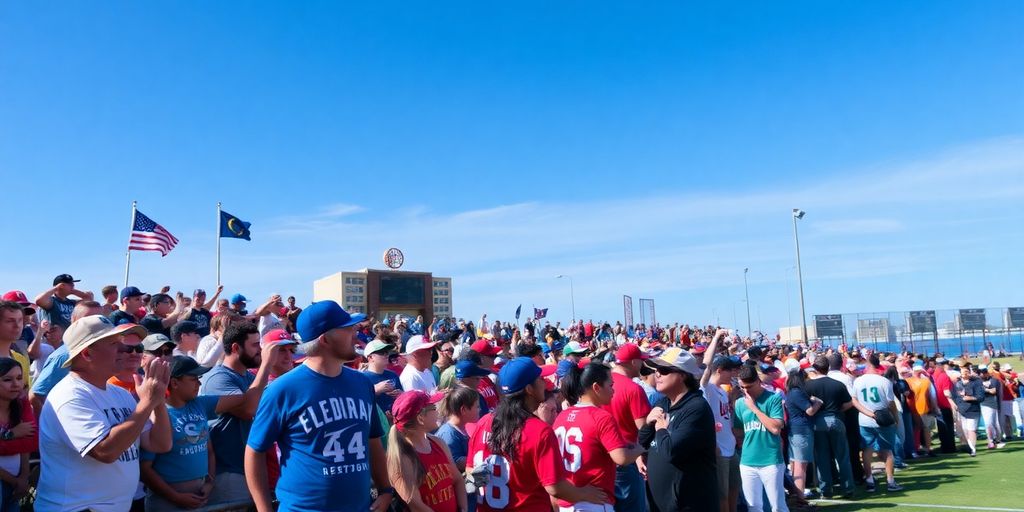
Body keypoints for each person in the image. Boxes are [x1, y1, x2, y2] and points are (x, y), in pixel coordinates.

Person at [246, 301, 394, 512]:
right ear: (325, 339)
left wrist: (385, 489)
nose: (356, 333)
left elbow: (372, 441)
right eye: (347, 329)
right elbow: (254, 451)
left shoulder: (362, 384)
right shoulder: (283, 390)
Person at [35, 315, 172, 512]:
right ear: (87, 354)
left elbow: (160, 444)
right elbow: (105, 451)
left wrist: (157, 401)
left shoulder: (120, 394)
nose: (123, 349)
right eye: (113, 343)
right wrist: (147, 402)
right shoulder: (69, 395)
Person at [141, 351, 276, 511]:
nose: (199, 384)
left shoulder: (200, 404)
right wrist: (174, 496)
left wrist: (210, 482)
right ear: (175, 383)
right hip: (165, 503)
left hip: (198, 498)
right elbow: (144, 469)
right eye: (193, 379)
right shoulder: (157, 413)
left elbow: (210, 451)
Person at [468, 357, 606, 512]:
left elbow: (471, 473)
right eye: (540, 378)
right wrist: (584, 493)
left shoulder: (483, 423)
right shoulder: (539, 430)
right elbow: (555, 487)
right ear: (529, 389)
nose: (544, 382)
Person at [556, 362, 644, 512]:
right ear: (596, 387)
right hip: (594, 500)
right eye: (610, 385)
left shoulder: (562, 415)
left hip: (567, 499)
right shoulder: (601, 417)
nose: (613, 390)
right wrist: (640, 448)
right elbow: (621, 458)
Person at [639, 349, 719, 512]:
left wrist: (661, 429)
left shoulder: (696, 408)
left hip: (689, 503)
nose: (657, 374)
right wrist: (648, 423)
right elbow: (641, 442)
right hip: (661, 503)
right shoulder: (663, 403)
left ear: (683, 375)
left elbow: (670, 452)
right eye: (656, 370)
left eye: (664, 370)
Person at [387, 390, 467, 512]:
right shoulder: (403, 457)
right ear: (420, 418)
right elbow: (416, 505)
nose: (438, 411)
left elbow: (458, 480)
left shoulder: (438, 443)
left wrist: (463, 508)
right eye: (434, 407)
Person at [29, 301, 105, 414]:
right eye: (87, 319)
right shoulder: (65, 356)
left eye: (99, 319)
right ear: (73, 320)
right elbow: (35, 396)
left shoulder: (105, 353)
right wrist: (51, 426)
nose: (93, 324)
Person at [732, 364, 788, 512]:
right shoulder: (739, 403)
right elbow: (738, 431)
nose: (745, 391)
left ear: (758, 381)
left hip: (770, 460)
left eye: (748, 387)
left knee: (777, 506)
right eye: (741, 387)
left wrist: (755, 409)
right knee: (753, 506)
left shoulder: (773, 399)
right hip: (747, 461)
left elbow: (776, 428)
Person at [603, 343, 652, 512]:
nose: (642, 364)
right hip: (627, 457)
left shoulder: (601, 384)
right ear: (633, 362)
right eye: (640, 361)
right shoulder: (633, 388)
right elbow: (644, 429)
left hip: (603, 458)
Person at [698, 331, 743, 512]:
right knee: (722, 494)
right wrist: (716, 338)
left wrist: (732, 398)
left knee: (734, 489)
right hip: (719, 449)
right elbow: (707, 364)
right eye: (729, 370)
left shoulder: (723, 391)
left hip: (730, 448)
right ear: (719, 371)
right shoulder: (706, 388)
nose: (733, 373)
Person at [804, 355, 855, 499]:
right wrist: (838, 410)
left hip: (818, 421)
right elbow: (849, 403)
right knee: (842, 457)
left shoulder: (808, 385)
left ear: (815, 368)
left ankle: (826, 490)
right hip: (836, 419)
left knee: (822, 458)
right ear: (828, 368)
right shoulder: (837, 384)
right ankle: (848, 488)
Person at [852, 354, 902, 492]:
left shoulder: (858, 381)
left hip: (865, 419)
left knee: (867, 450)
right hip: (883, 419)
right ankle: (890, 481)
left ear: (868, 365)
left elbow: (854, 400)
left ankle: (869, 480)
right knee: (887, 451)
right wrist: (895, 419)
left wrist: (868, 413)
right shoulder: (884, 381)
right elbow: (891, 404)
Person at [0, 358, 37, 511]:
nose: (16, 384)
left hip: (17, 481)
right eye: (7, 379)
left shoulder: (22, 405)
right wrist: (12, 434)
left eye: (19, 378)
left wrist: (23, 477)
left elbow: (30, 443)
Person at [784, 368, 822, 499]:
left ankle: (797, 495)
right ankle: (800, 499)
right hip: (801, 431)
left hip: (796, 430)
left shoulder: (792, 392)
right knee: (801, 465)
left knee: (796, 464)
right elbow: (810, 411)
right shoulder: (796, 393)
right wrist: (817, 403)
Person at [435, 385, 481, 473]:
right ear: (463, 410)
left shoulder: (464, 427)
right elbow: (456, 463)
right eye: (477, 407)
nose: (480, 409)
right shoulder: (448, 434)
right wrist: (483, 458)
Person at [362, 338, 404, 417]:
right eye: (381, 352)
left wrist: (402, 395)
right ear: (370, 358)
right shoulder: (362, 378)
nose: (386, 355)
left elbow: (403, 399)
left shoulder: (393, 375)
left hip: (397, 421)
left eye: (387, 352)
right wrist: (375, 391)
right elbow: (360, 403)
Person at [906, 362, 939, 456]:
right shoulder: (912, 381)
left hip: (919, 408)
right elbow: (931, 396)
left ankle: (922, 448)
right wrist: (935, 407)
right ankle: (921, 448)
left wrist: (934, 407)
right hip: (916, 408)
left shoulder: (920, 381)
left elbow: (931, 395)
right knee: (922, 429)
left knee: (921, 429)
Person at [0, 303, 32, 392]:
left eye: (20, 320)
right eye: (10, 321)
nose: (17, 326)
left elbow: (24, 394)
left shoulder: (21, 359)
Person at [954, 363, 984, 456]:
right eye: (963, 372)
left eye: (967, 371)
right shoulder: (958, 383)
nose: (965, 373)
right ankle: (969, 446)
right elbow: (955, 396)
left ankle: (973, 449)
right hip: (962, 410)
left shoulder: (976, 382)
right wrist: (956, 405)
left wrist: (971, 398)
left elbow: (981, 397)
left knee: (972, 430)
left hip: (973, 409)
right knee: (965, 430)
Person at [977, 366, 1005, 449]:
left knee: (996, 423)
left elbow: (996, 392)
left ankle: (997, 439)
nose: (982, 374)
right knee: (988, 423)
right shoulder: (978, 381)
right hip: (984, 404)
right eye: (980, 372)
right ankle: (991, 440)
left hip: (994, 403)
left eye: (984, 372)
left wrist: (1000, 405)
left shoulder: (994, 380)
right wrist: (987, 390)